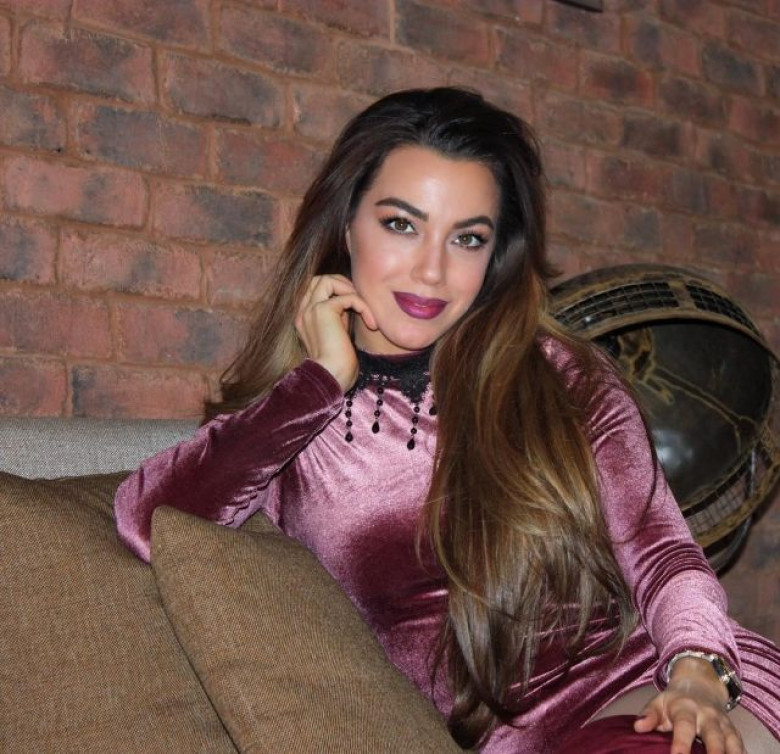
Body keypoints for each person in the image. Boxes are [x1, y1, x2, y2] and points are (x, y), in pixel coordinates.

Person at [113, 88, 780, 754]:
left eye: (467, 239)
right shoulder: (293, 425)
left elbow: (662, 553)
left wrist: (697, 676)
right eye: (401, 225)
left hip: (652, 690)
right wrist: (318, 382)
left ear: (494, 258)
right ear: (345, 227)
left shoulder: (560, 376)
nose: (432, 270)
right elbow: (150, 520)